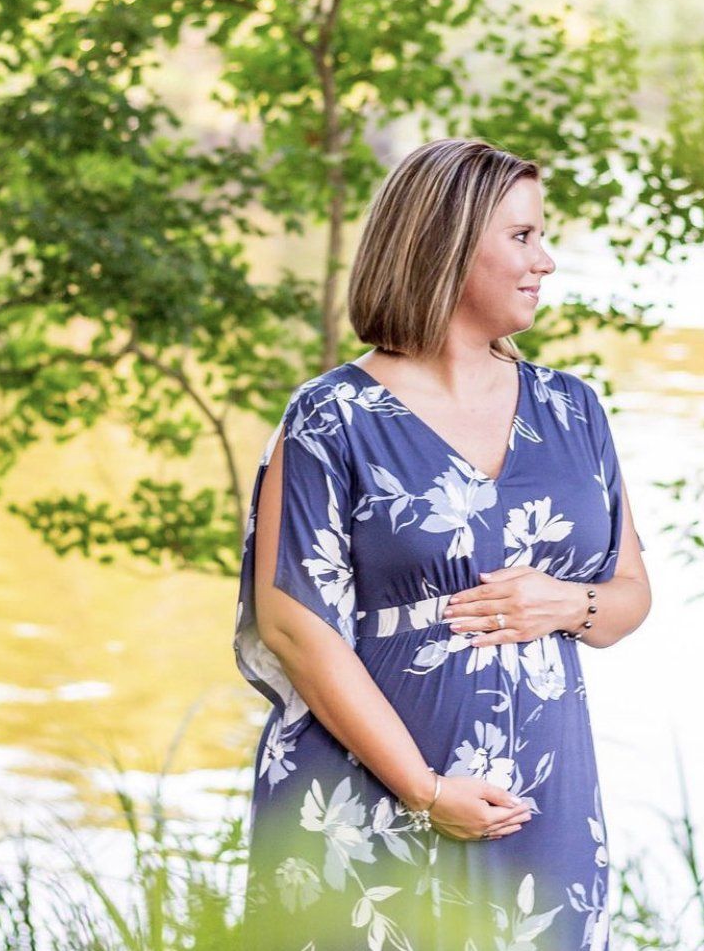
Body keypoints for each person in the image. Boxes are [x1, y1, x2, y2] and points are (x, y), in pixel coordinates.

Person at [233, 137, 651, 950]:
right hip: (363, 795)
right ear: (447, 244)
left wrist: (568, 603)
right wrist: (423, 790)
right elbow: (293, 626)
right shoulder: (331, 416)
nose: (545, 261)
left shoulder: (573, 411)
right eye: (522, 237)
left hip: (539, 796)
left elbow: (628, 596)